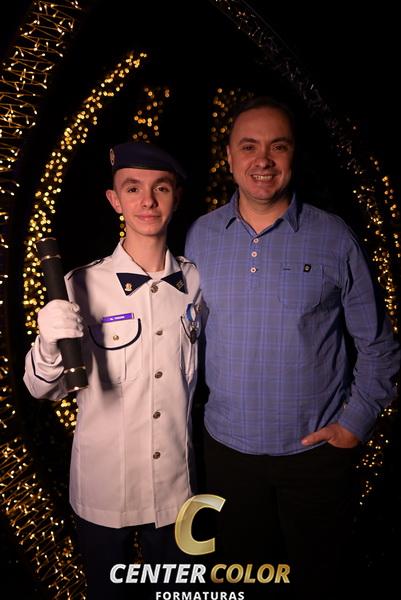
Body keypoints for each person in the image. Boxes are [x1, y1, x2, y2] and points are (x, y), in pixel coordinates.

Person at [185, 96, 400, 597]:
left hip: (314, 459)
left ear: (293, 155)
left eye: (277, 146)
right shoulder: (200, 236)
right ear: (230, 157)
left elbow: (379, 346)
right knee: (241, 581)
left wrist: (353, 425)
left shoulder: (334, 237)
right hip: (227, 454)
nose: (263, 160)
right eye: (249, 146)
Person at [24, 141, 202, 599]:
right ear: (114, 200)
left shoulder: (197, 282)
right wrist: (48, 343)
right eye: (133, 188)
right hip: (104, 492)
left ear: (176, 197)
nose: (148, 201)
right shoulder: (80, 284)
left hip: (175, 491)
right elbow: (42, 389)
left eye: (161, 188)